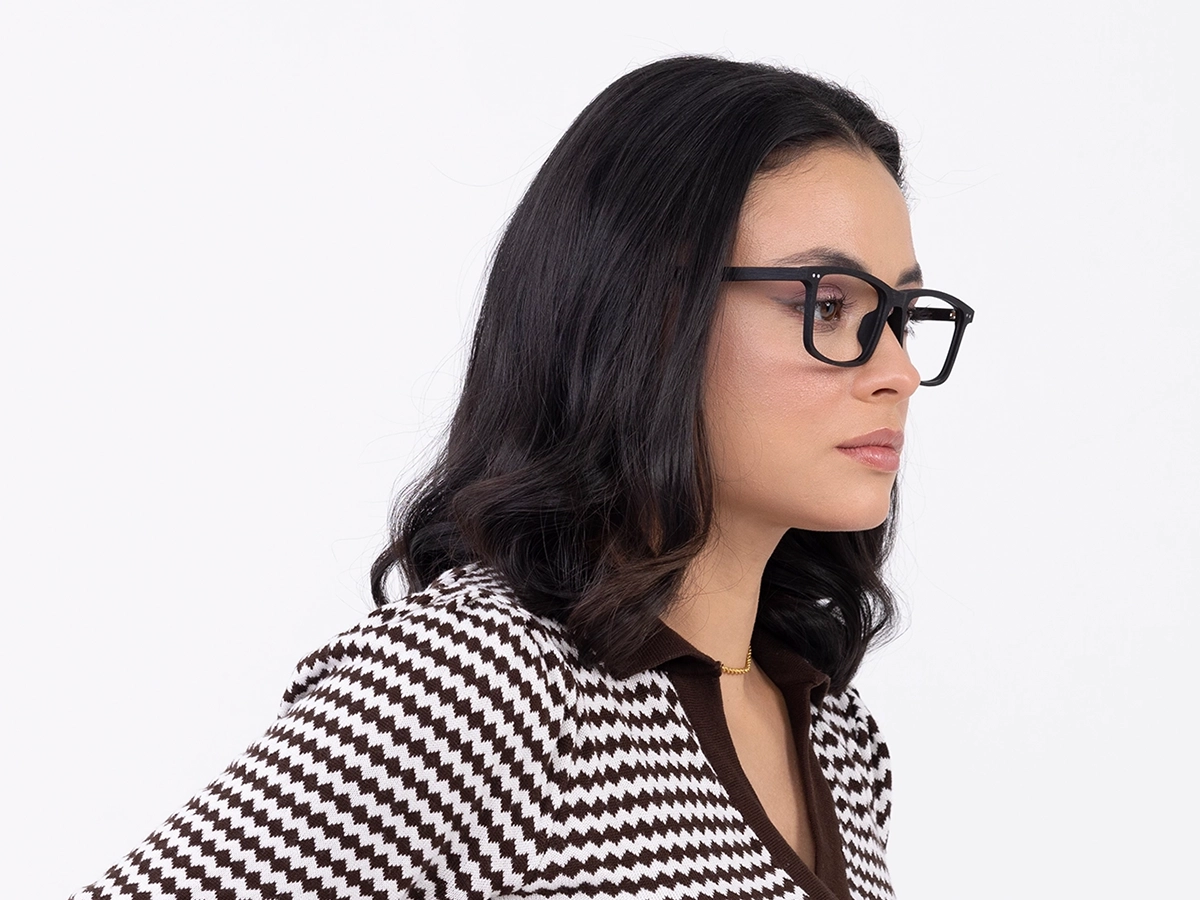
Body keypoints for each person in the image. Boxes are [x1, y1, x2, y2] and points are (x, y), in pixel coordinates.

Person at [71, 55, 973, 900]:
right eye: (829, 304)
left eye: (899, 314)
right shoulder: (477, 682)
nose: (896, 369)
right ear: (647, 313)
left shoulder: (837, 735)